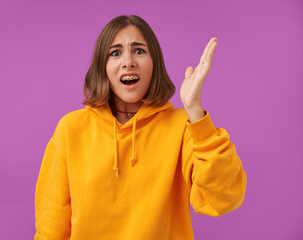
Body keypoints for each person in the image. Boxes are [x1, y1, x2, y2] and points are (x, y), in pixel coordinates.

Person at [34, 15, 247, 240]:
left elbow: (225, 198)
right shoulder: (71, 129)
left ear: (154, 62)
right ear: (102, 66)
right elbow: (51, 228)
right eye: (115, 53)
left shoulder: (183, 127)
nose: (128, 62)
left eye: (139, 50)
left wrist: (194, 109)